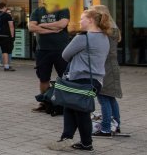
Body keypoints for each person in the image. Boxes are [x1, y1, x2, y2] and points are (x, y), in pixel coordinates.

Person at [47, 8, 111, 152]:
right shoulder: (104, 37)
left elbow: (65, 55)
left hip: (80, 79)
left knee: (80, 112)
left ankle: (86, 144)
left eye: (82, 18)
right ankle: (66, 138)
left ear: (90, 20)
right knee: (71, 107)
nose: (79, 21)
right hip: (96, 81)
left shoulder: (83, 38)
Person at [29, 0, 71, 112]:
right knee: (43, 78)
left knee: (65, 78)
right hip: (43, 50)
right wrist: (52, 29)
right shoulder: (37, 11)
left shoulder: (63, 9)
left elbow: (62, 24)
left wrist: (42, 25)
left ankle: (67, 103)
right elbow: (31, 27)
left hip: (61, 50)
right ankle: (44, 103)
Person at [91, 5, 123, 138]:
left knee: (103, 98)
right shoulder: (113, 29)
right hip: (112, 66)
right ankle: (116, 125)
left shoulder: (103, 31)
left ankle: (105, 129)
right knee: (111, 98)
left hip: (104, 68)